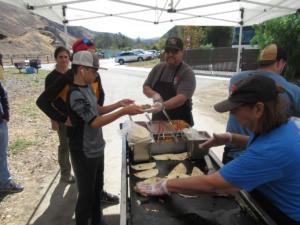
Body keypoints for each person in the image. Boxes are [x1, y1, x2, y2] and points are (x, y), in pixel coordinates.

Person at [136, 75, 300, 224]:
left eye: (235, 110)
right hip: (267, 199)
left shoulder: (272, 150)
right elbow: (262, 144)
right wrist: (231, 138)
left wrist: (165, 185)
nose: (233, 116)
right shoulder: (283, 126)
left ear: (258, 109)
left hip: (279, 215)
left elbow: (213, 185)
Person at [37, 38, 119, 204]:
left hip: (94, 123)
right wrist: (61, 118)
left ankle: (98, 193)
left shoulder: (94, 74)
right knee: (85, 169)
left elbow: (100, 96)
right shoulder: (67, 77)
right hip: (78, 131)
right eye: (89, 53)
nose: (93, 57)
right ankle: (87, 197)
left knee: (98, 167)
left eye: (93, 53)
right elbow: (43, 101)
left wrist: (98, 111)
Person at [68, 50, 143, 225]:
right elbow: (94, 122)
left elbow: (98, 110)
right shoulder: (75, 94)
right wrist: (123, 112)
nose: (96, 74)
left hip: (96, 148)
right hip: (84, 151)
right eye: (94, 71)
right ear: (81, 70)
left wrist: (119, 104)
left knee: (96, 190)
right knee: (86, 196)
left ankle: (97, 220)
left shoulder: (87, 87)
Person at [223, 43, 300, 163]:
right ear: (280, 63)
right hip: (263, 157)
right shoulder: (292, 91)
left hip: (234, 153)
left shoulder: (237, 80)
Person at [143, 37, 196, 126]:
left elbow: (181, 99)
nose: (170, 54)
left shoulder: (187, 72)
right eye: (167, 51)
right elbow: (146, 87)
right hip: (158, 121)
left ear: (182, 52)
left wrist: (162, 106)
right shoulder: (157, 68)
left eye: (175, 51)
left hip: (180, 123)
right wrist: (154, 94)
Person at [44, 46, 75, 183]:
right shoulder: (51, 78)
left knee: (77, 145)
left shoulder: (74, 74)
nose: (63, 60)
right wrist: (53, 119)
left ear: (69, 59)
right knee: (65, 146)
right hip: (61, 118)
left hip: (75, 117)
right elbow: (47, 101)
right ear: (55, 58)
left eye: (66, 57)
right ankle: (65, 173)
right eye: (60, 57)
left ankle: (79, 170)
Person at [0, 81, 24, 193]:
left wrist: (6, 115)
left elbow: (3, 94)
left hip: (0, 122)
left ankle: (5, 183)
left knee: (1, 154)